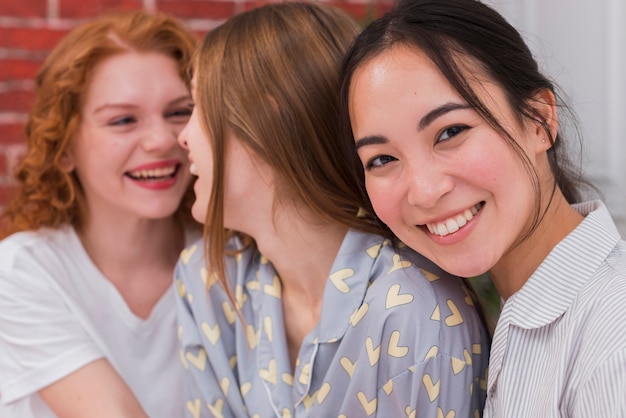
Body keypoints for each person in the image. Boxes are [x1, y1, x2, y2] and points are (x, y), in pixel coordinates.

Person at [175, 2, 489, 417]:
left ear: (265, 122)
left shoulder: (417, 312)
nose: (181, 137)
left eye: (197, 107)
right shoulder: (208, 280)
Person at [339, 0, 626, 416]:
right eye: (382, 159)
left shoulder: (612, 341)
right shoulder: (492, 315)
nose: (423, 192)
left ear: (539, 120)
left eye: (450, 132)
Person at [0, 10, 200, 418]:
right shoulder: (19, 273)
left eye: (179, 112)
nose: (162, 139)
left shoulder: (230, 260)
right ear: (65, 147)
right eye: (123, 120)